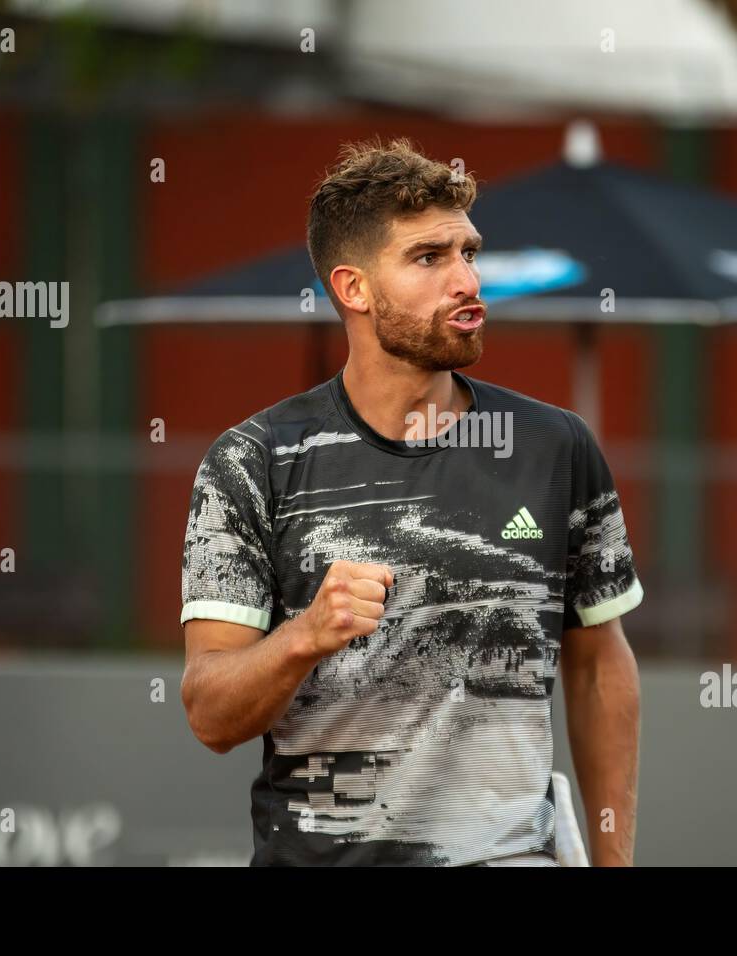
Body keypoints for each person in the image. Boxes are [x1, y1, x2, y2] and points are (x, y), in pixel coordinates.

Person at [178, 138, 644, 866]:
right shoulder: (251, 462)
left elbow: (597, 668)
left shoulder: (556, 447)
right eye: (429, 259)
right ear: (354, 289)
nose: (466, 280)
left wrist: (616, 863)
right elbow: (209, 712)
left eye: (469, 252)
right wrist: (307, 635)